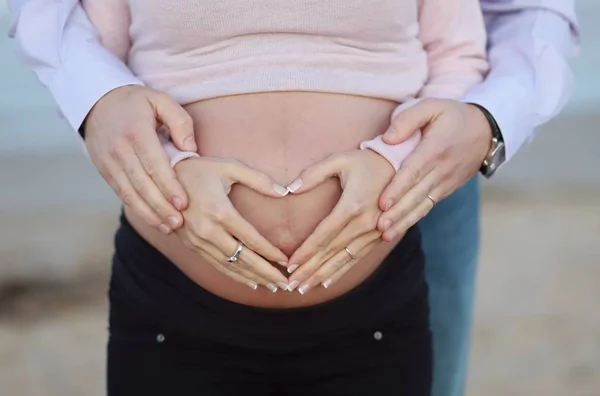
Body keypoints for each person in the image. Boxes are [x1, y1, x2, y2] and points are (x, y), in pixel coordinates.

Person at [7, 1, 579, 395]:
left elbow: (484, 39)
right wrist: (171, 168)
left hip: (387, 278)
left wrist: (407, 155)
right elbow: (100, 69)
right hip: (174, 300)